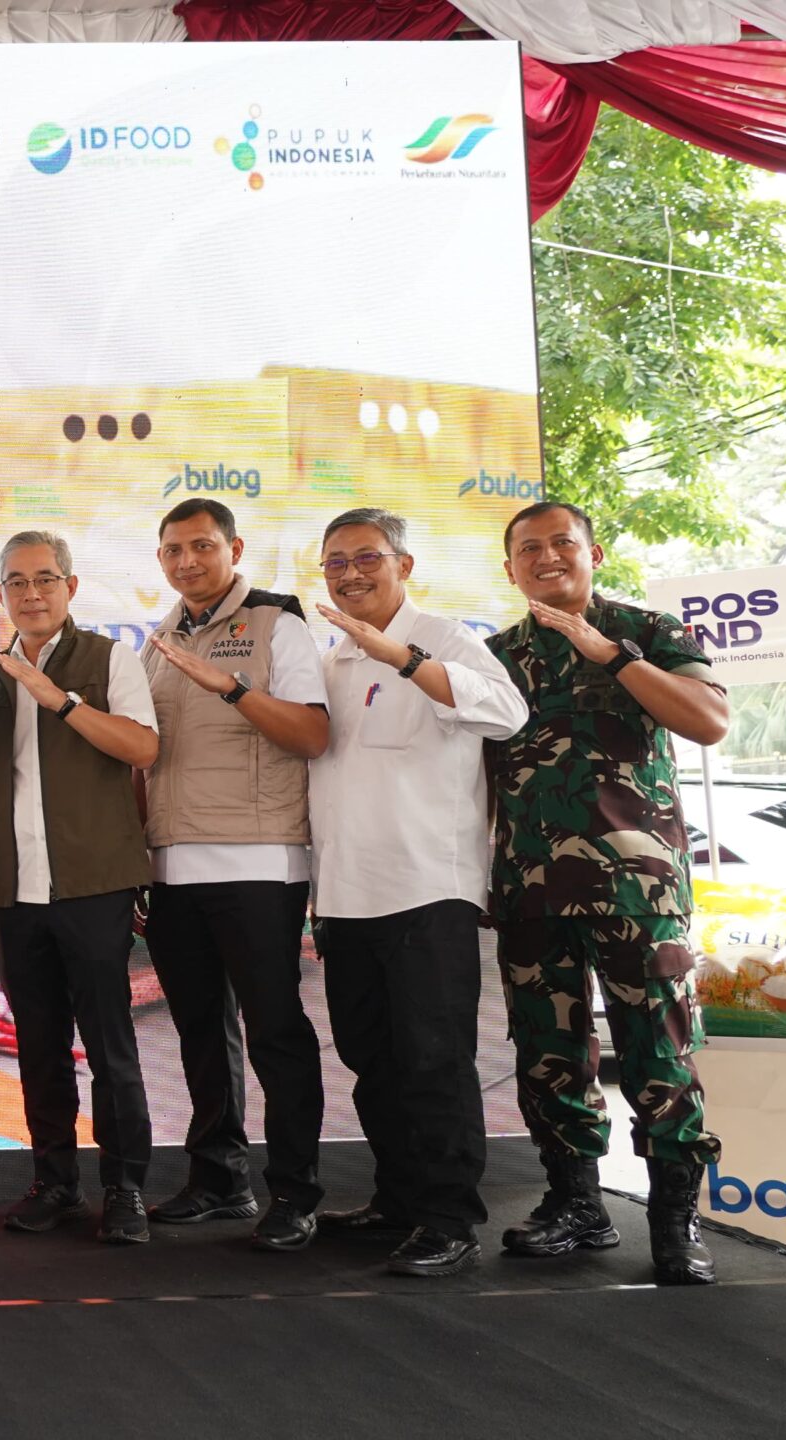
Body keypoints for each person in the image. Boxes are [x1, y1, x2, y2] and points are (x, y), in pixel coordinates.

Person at [486, 501, 729, 1287]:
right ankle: (576, 1205)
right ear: (510, 568)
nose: (547, 557)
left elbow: (709, 721)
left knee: (659, 1052)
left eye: (562, 543)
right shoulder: (495, 657)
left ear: (594, 553)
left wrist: (610, 655)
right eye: (529, 548)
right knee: (547, 1057)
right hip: (531, 889)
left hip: (638, 892)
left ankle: (675, 1220)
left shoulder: (648, 631)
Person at [306, 509, 528, 1278]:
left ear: (404, 564)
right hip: (345, 893)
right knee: (371, 1058)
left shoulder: (446, 637)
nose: (351, 573)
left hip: (427, 890)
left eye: (367, 557)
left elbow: (507, 715)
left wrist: (399, 656)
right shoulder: (330, 660)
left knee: (435, 1062)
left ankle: (449, 1219)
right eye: (336, 562)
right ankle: (398, 1199)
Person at [140, 497, 330, 1251]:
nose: (187, 561)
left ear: (234, 549)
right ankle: (220, 1180)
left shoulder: (279, 625)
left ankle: (297, 1192)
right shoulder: (158, 640)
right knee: (199, 1032)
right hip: (172, 864)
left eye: (201, 546)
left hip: (258, 861)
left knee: (275, 1032)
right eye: (173, 550)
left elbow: (312, 733)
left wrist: (234, 689)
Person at [0, 531, 161, 1246]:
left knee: (111, 1045)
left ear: (71, 587)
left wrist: (60, 701)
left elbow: (143, 747)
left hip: (93, 884)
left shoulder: (109, 659)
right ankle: (54, 1182)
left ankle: (125, 1188)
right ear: (1, 595)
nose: (32, 593)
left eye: (45, 579)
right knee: (39, 1046)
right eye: (17, 582)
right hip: (17, 889)